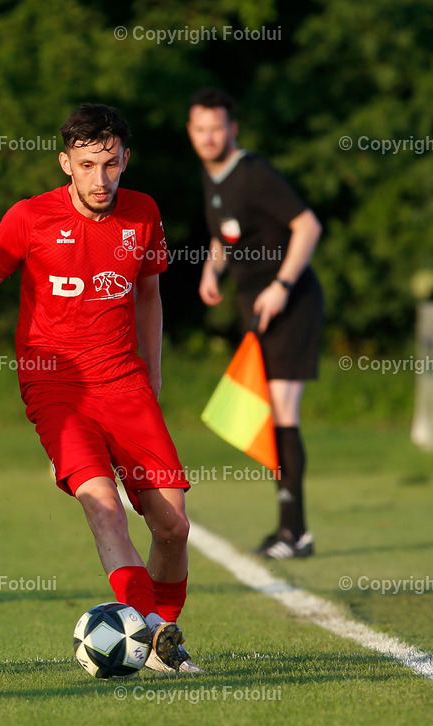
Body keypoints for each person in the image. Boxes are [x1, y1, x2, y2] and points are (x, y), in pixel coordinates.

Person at [0, 104, 201, 674]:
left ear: (125, 161)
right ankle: (156, 637)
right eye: (88, 165)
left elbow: (148, 294)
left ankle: (159, 626)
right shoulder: (29, 218)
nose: (101, 179)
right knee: (105, 507)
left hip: (124, 383)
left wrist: (153, 373)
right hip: (54, 389)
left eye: (111, 165)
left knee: (173, 524)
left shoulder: (143, 213)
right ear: (66, 162)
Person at [187, 88, 323, 560]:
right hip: (254, 305)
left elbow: (308, 226)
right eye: (200, 129)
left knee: (282, 411)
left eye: (217, 128)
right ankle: (290, 528)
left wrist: (282, 285)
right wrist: (212, 268)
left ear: (233, 128)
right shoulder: (213, 175)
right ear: (191, 132)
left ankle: (295, 532)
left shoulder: (254, 171)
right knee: (267, 413)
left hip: (290, 301)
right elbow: (224, 231)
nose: (208, 137)